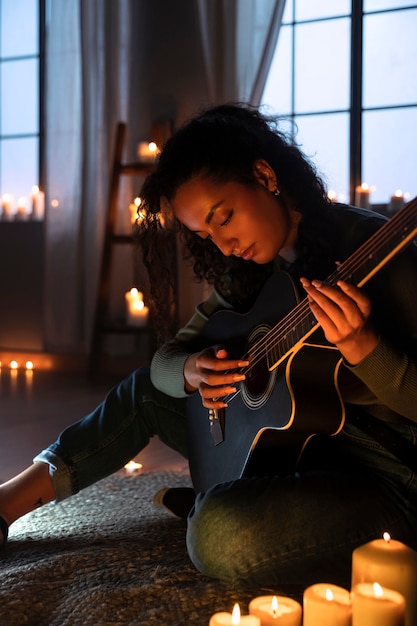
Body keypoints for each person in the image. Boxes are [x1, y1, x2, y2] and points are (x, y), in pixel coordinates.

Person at [1, 103, 417, 590]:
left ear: (264, 175)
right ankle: (8, 504)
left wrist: (363, 346)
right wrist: (192, 369)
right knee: (147, 391)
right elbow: (163, 364)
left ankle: (213, 501)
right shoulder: (252, 267)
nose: (222, 245)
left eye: (225, 217)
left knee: (221, 532)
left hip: (388, 476)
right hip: (298, 445)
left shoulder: (378, 252)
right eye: (205, 233)